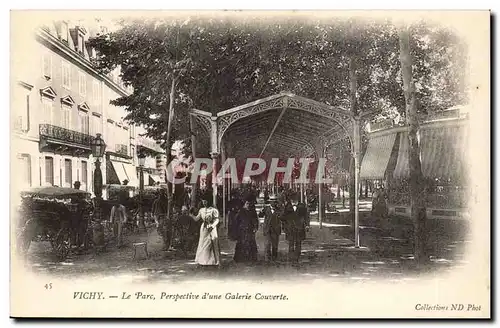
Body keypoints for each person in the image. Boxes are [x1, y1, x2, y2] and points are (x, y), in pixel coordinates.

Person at [192, 199, 221, 266]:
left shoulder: (213, 210)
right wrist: (191, 215)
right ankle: (203, 261)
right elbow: (196, 219)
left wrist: (212, 226)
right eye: (203, 201)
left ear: (209, 201)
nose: (204, 203)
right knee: (203, 243)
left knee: (212, 243)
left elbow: (217, 220)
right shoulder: (201, 210)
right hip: (204, 228)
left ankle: (214, 261)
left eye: (206, 201)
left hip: (211, 228)